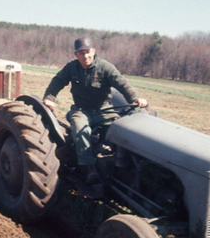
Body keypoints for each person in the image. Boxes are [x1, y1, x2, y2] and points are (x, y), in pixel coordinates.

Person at [43, 37, 148, 184]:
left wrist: (135, 98)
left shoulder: (105, 67)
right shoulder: (72, 68)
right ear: (76, 55)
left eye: (88, 52)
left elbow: (122, 83)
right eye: (81, 53)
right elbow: (57, 81)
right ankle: (89, 168)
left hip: (104, 110)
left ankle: (125, 164)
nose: (86, 56)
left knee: (122, 129)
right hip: (81, 110)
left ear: (94, 51)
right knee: (81, 130)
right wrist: (49, 98)